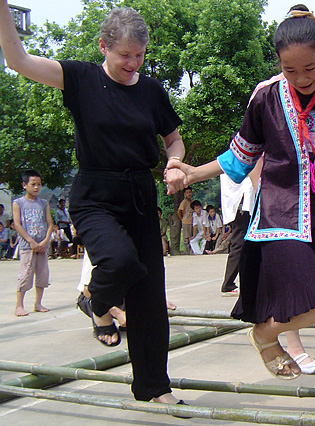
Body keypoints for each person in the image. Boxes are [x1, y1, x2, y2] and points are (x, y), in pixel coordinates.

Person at [165, 8, 315, 415]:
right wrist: (192, 173)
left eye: (309, 68)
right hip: (281, 218)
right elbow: (240, 157)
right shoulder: (266, 98)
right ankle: (265, 334)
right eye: (290, 70)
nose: (301, 78)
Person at [0, 3, 188, 406]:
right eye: (124, 55)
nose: (132, 63)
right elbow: (16, 59)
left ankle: (154, 387)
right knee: (120, 263)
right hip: (95, 195)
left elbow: (173, 139)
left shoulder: (151, 90)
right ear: (103, 46)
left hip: (140, 194)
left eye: (139, 56)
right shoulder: (79, 78)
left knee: (149, 298)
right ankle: (95, 300)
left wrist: (174, 161)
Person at [12, 170, 54, 316]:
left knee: (42, 274)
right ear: (25, 185)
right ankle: (19, 305)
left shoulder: (43, 203)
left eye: (39, 184)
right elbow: (17, 224)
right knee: (25, 274)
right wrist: (31, 241)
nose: (36, 187)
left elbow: (49, 223)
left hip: (42, 245)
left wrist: (45, 240)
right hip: (27, 246)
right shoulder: (18, 203)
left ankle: (38, 303)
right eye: (33, 184)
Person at [177, 187, 194, 255]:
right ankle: (187, 252)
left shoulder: (192, 202)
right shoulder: (184, 202)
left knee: (192, 236)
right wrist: (182, 219)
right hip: (186, 221)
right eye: (187, 193)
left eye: (190, 192)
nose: (189, 194)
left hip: (192, 221)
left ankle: (192, 250)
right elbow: (179, 211)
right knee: (186, 237)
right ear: (184, 194)